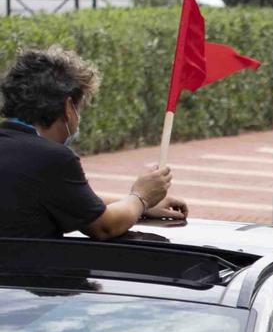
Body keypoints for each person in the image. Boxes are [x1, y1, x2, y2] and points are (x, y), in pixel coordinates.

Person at [0, 46, 185, 237]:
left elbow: (73, 200)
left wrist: (137, 204)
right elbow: (105, 226)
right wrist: (141, 197)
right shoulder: (52, 159)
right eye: (79, 107)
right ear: (67, 107)